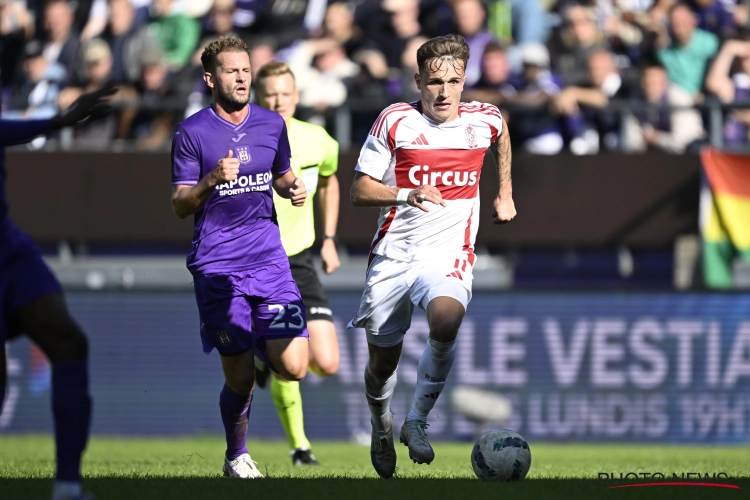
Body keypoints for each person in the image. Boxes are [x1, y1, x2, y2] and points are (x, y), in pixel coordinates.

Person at [348, 34, 516, 479]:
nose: (444, 92)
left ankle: (417, 421)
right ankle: (381, 425)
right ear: (418, 81)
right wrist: (406, 193)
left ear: (465, 81)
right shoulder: (395, 121)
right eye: (435, 82)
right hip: (394, 255)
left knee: (446, 320)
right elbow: (360, 190)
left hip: (449, 251)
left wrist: (505, 193)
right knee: (383, 362)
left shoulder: (485, 119)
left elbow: (501, 136)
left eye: (454, 81)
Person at [170, 34, 309, 479]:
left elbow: (282, 175)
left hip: (269, 260)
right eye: (232, 71)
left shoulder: (272, 125)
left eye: (246, 69)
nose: (242, 77)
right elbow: (179, 204)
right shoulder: (192, 132)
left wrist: (292, 188)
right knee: (240, 379)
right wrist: (211, 179)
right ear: (211, 78)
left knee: (294, 365)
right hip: (218, 268)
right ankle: (237, 456)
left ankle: (262, 344)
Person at [0, 84, 115, 500]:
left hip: (8, 247)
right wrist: (55, 121)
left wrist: (58, 121)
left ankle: (67, 485)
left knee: (68, 343)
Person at [254, 61, 341, 466]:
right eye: (270, 94)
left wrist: (328, 239)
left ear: (296, 96)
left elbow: (330, 179)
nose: (278, 101)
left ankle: (264, 354)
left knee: (327, 362)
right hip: (265, 264)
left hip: (302, 259)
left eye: (285, 94)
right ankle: (300, 447)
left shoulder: (318, 139)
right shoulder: (246, 139)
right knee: (294, 364)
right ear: (258, 97)